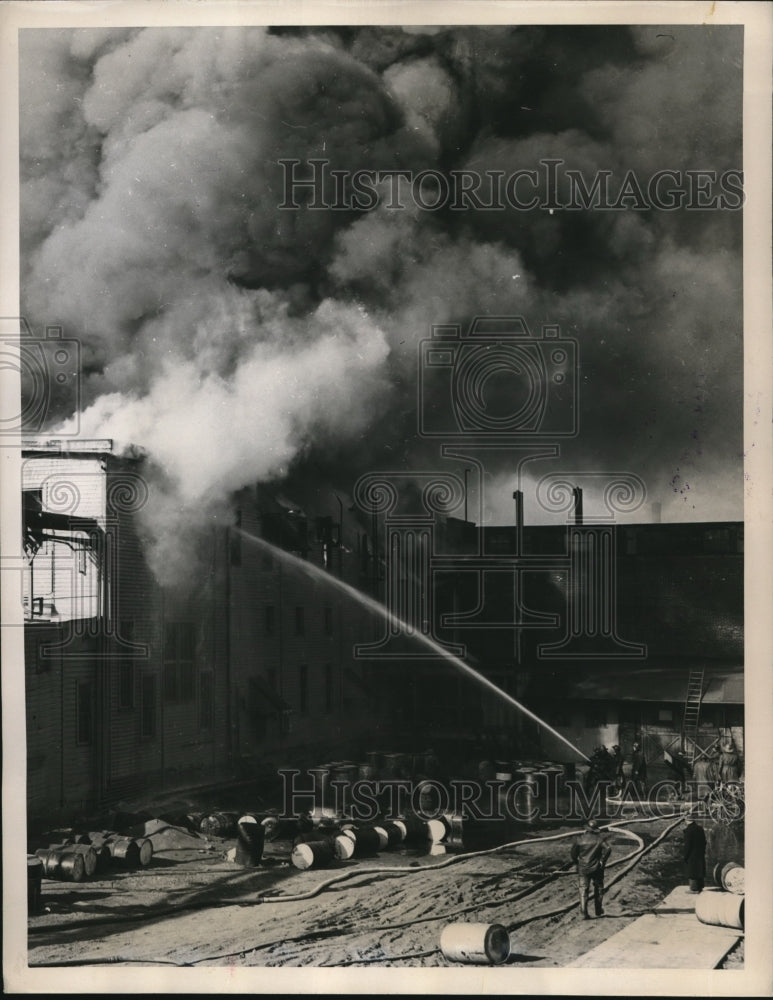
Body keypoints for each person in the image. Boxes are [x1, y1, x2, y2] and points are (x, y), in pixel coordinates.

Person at [570, 818, 612, 919]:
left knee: (583, 890)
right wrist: (603, 860)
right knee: (599, 888)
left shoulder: (579, 839)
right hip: (597, 868)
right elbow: (608, 848)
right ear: (596, 830)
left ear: (587, 829)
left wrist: (578, 863)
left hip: (583, 868)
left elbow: (573, 854)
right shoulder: (599, 839)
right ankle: (598, 910)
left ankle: (584, 913)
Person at [683, 810, 707, 892]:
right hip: (700, 854)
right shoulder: (700, 829)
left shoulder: (688, 831)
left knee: (692, 871)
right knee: (700, 870)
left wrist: (685, 856)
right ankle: (700, 887)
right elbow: (704, 842)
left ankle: (693, 889)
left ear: (686, 821)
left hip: (692, 855)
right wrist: (703, 851)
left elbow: (687, 846)